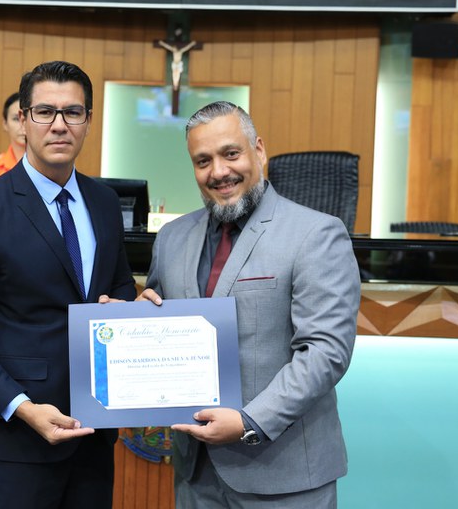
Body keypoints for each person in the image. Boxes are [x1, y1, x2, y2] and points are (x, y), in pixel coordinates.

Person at [136, 101, 361, 508]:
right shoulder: (171, 238)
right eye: (203, 161)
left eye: (230, 153)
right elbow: (159, 325)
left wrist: (249, 420)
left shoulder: (316, 233)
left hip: (284, 476)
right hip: (195, 475)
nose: (218, 171)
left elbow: (326, 352)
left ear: (259, 150)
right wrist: (130, 322)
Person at [0, 60, 137, 509]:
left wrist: (131, 310)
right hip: (16, 440)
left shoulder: (105, 202)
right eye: (45, 112)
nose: (59, 125)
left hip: (93, 435)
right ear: (24, 120)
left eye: (73, 112)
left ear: (88, 121)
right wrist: (24, 408)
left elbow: (119, 285)